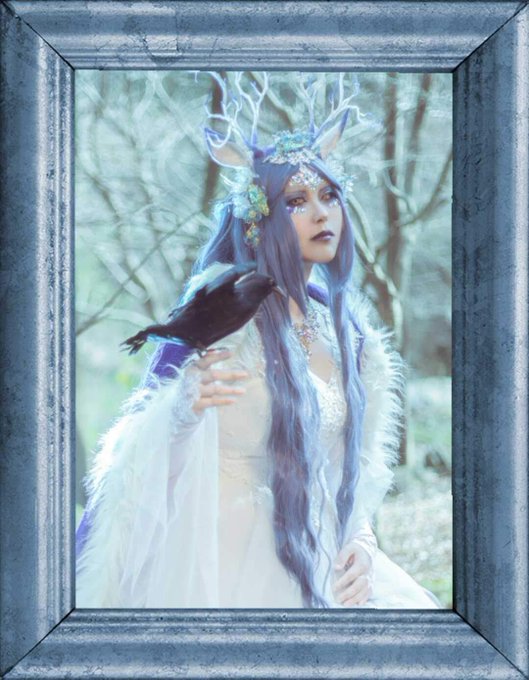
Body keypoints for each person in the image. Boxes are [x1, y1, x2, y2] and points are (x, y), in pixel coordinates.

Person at [76, 75, 440, 609]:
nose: (321, 213)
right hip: (215, 562)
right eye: (296, 201)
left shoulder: (351, 338)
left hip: (320, 554)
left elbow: (347, 469)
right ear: (258, 222)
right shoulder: (225, 318)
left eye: (329, 195)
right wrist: (183, 409)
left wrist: (361, 541)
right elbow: (139, 472)